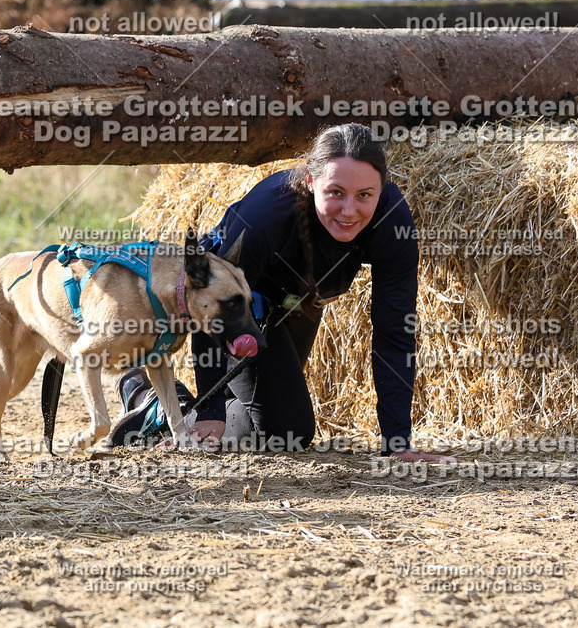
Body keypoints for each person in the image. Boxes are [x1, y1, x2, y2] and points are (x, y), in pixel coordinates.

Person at [113, 123, 455, 463]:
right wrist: (211, 410)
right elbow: (212, 303)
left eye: (365, 195)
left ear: (382, 189)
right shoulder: (264, 218)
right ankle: (158, 405)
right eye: (335, 192)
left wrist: (397, 443)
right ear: (310, 180)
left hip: (300, 302)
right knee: (290, 432)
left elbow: (395, 331)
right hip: (243, 310)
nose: (350, 210)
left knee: (274, 421)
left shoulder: (393, 224)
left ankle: (172, 401)